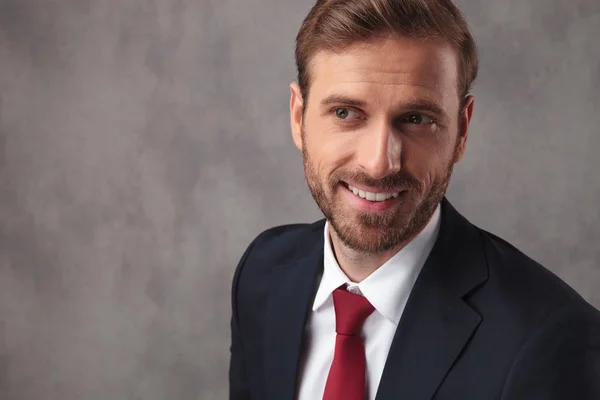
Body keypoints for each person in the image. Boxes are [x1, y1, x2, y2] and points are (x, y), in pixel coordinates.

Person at [229, 0, 600, 398]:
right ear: (299, 118)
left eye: (417, 119)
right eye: (345, 113)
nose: (378, 164)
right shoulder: (263, 274)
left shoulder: (553, 341)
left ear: (461, 130)